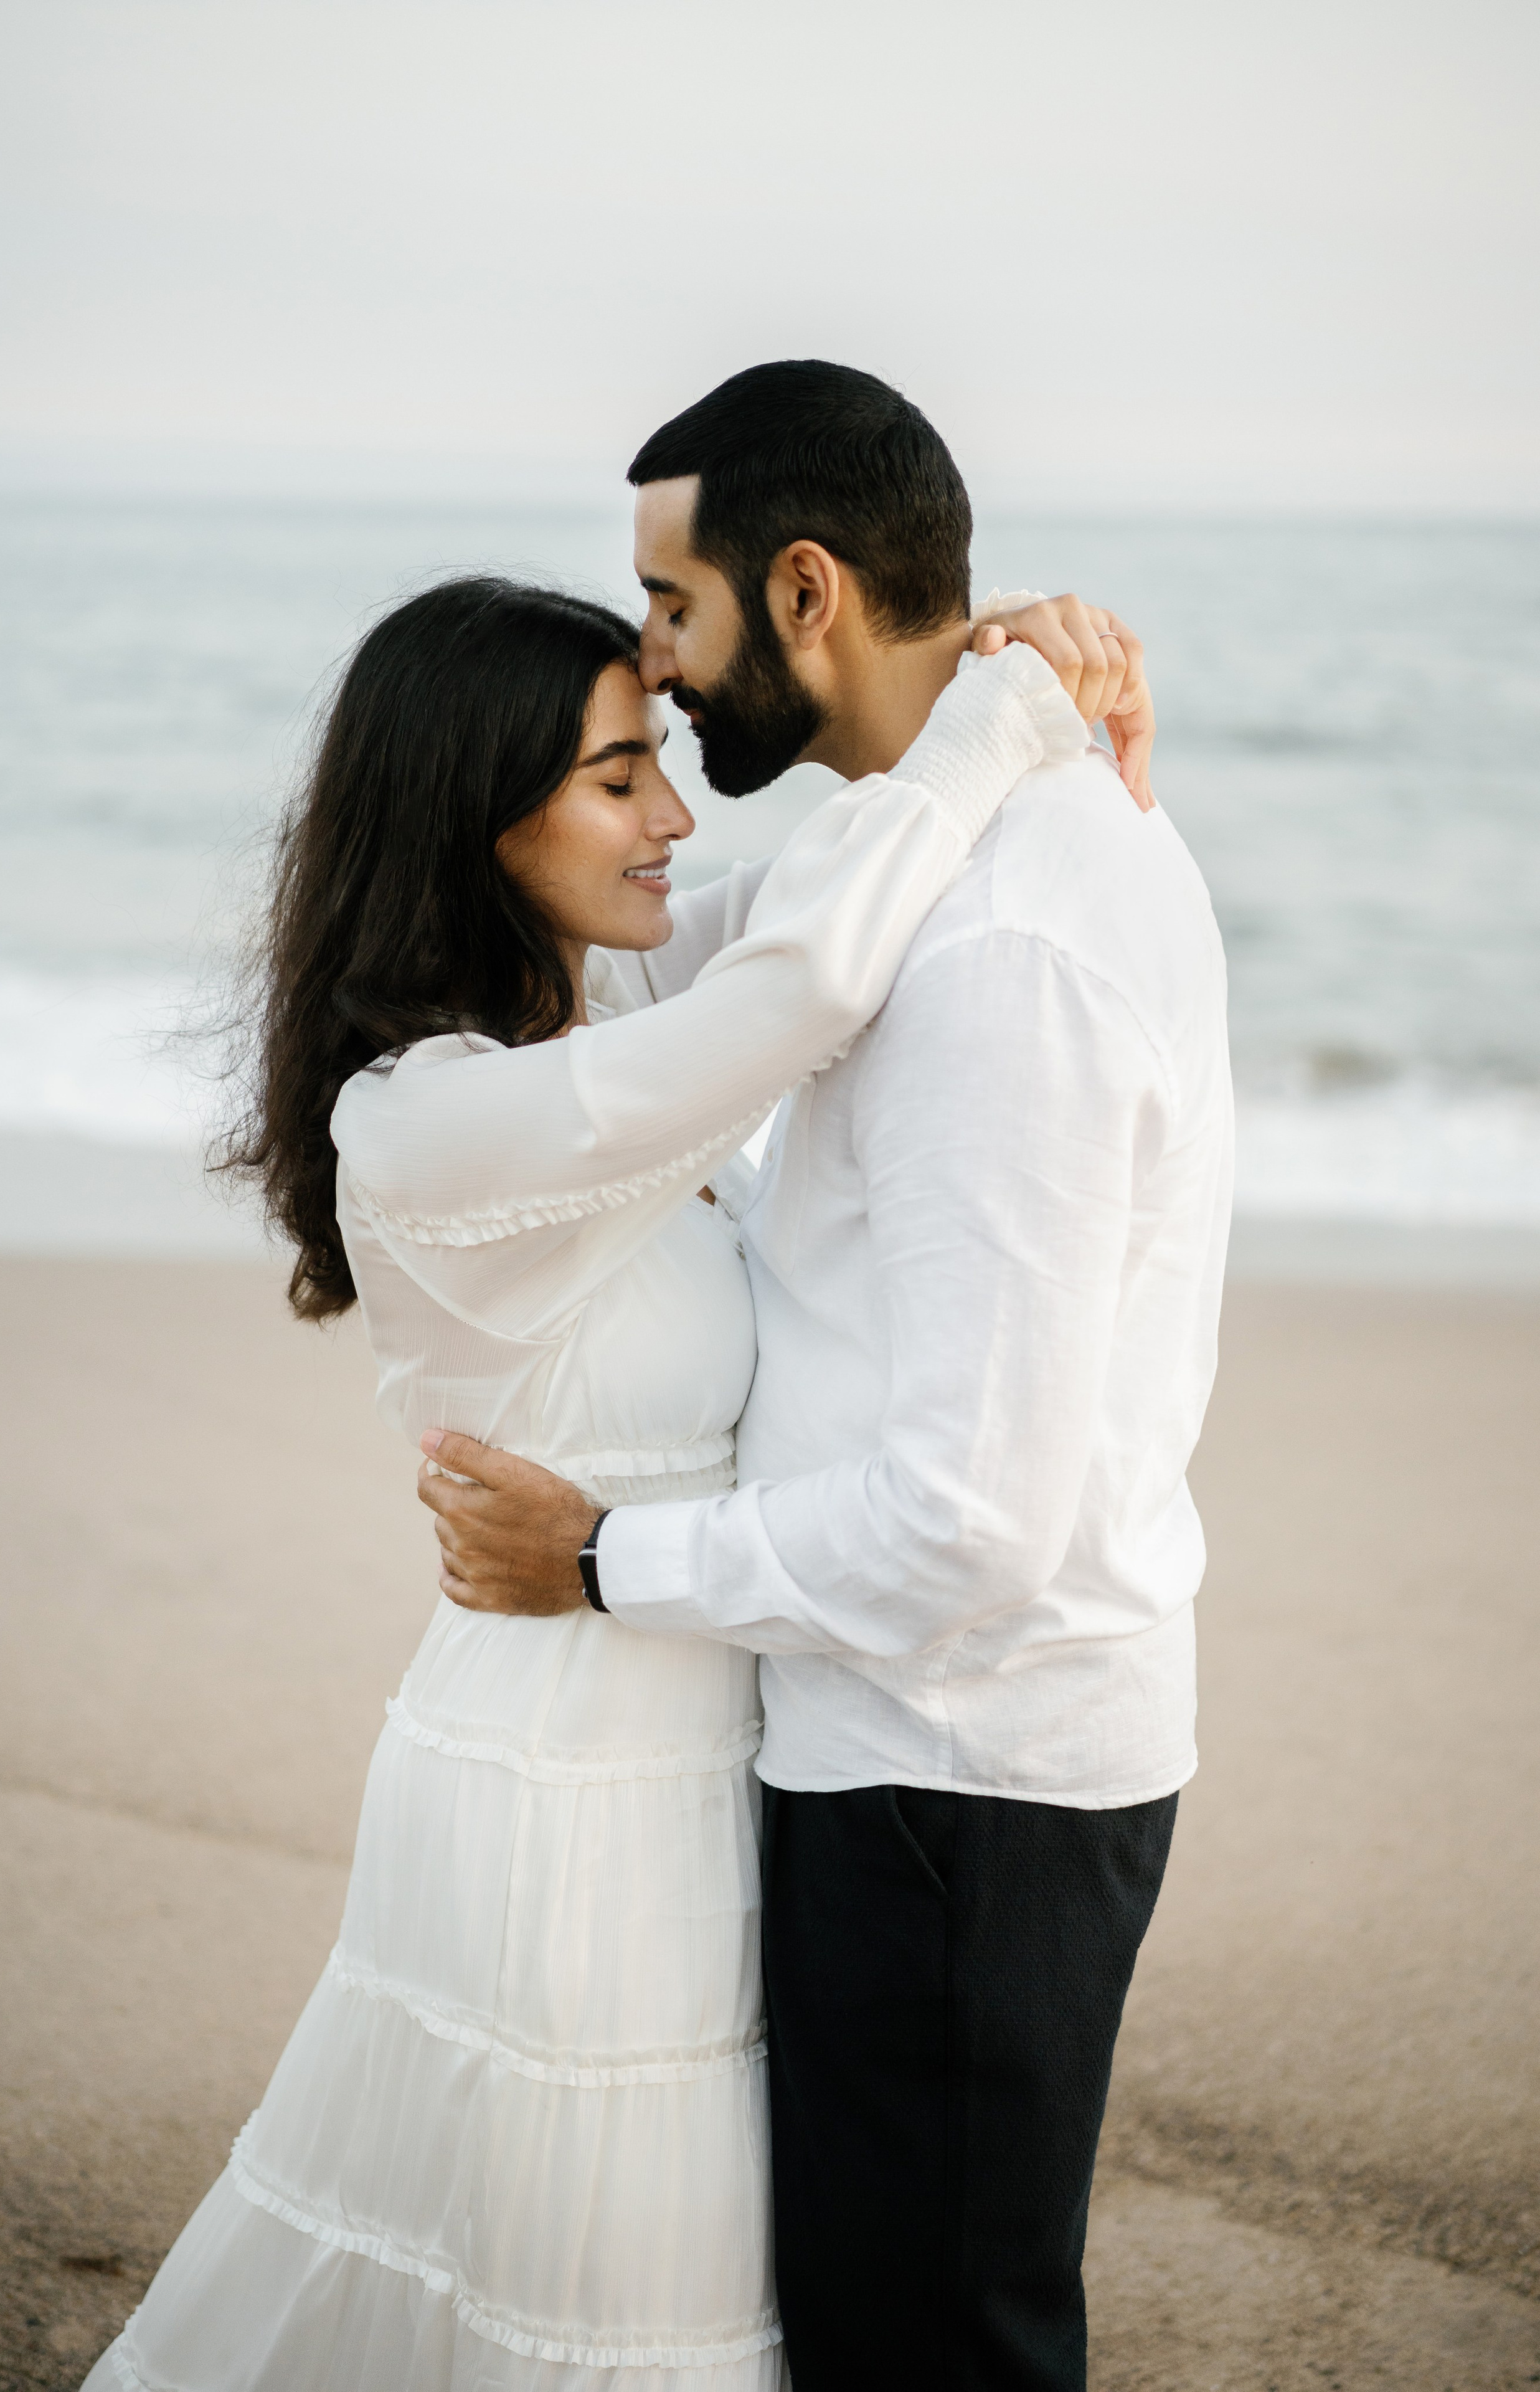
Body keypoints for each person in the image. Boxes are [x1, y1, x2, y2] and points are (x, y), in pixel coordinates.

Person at [81, 497, 1115, 2388]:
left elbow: (812, 915)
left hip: (689, 1734)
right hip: (559, 1782)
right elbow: (803, 988)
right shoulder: (431, 1123)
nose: (676, 819)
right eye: (622, 775)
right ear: (480, 822)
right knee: (604, 2295)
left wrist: (982, 665)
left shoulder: (600, 998)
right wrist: (1008, 720)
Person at [419, 360, 1234, 2392]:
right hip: (927, 1749)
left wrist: (607, 1563)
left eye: (672, 613)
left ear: (804, 595)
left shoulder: (996, 956)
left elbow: (970, 1520)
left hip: (952, 1770)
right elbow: (688, 969)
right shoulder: (941, 855)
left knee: (928, 2350)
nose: (656, 669)